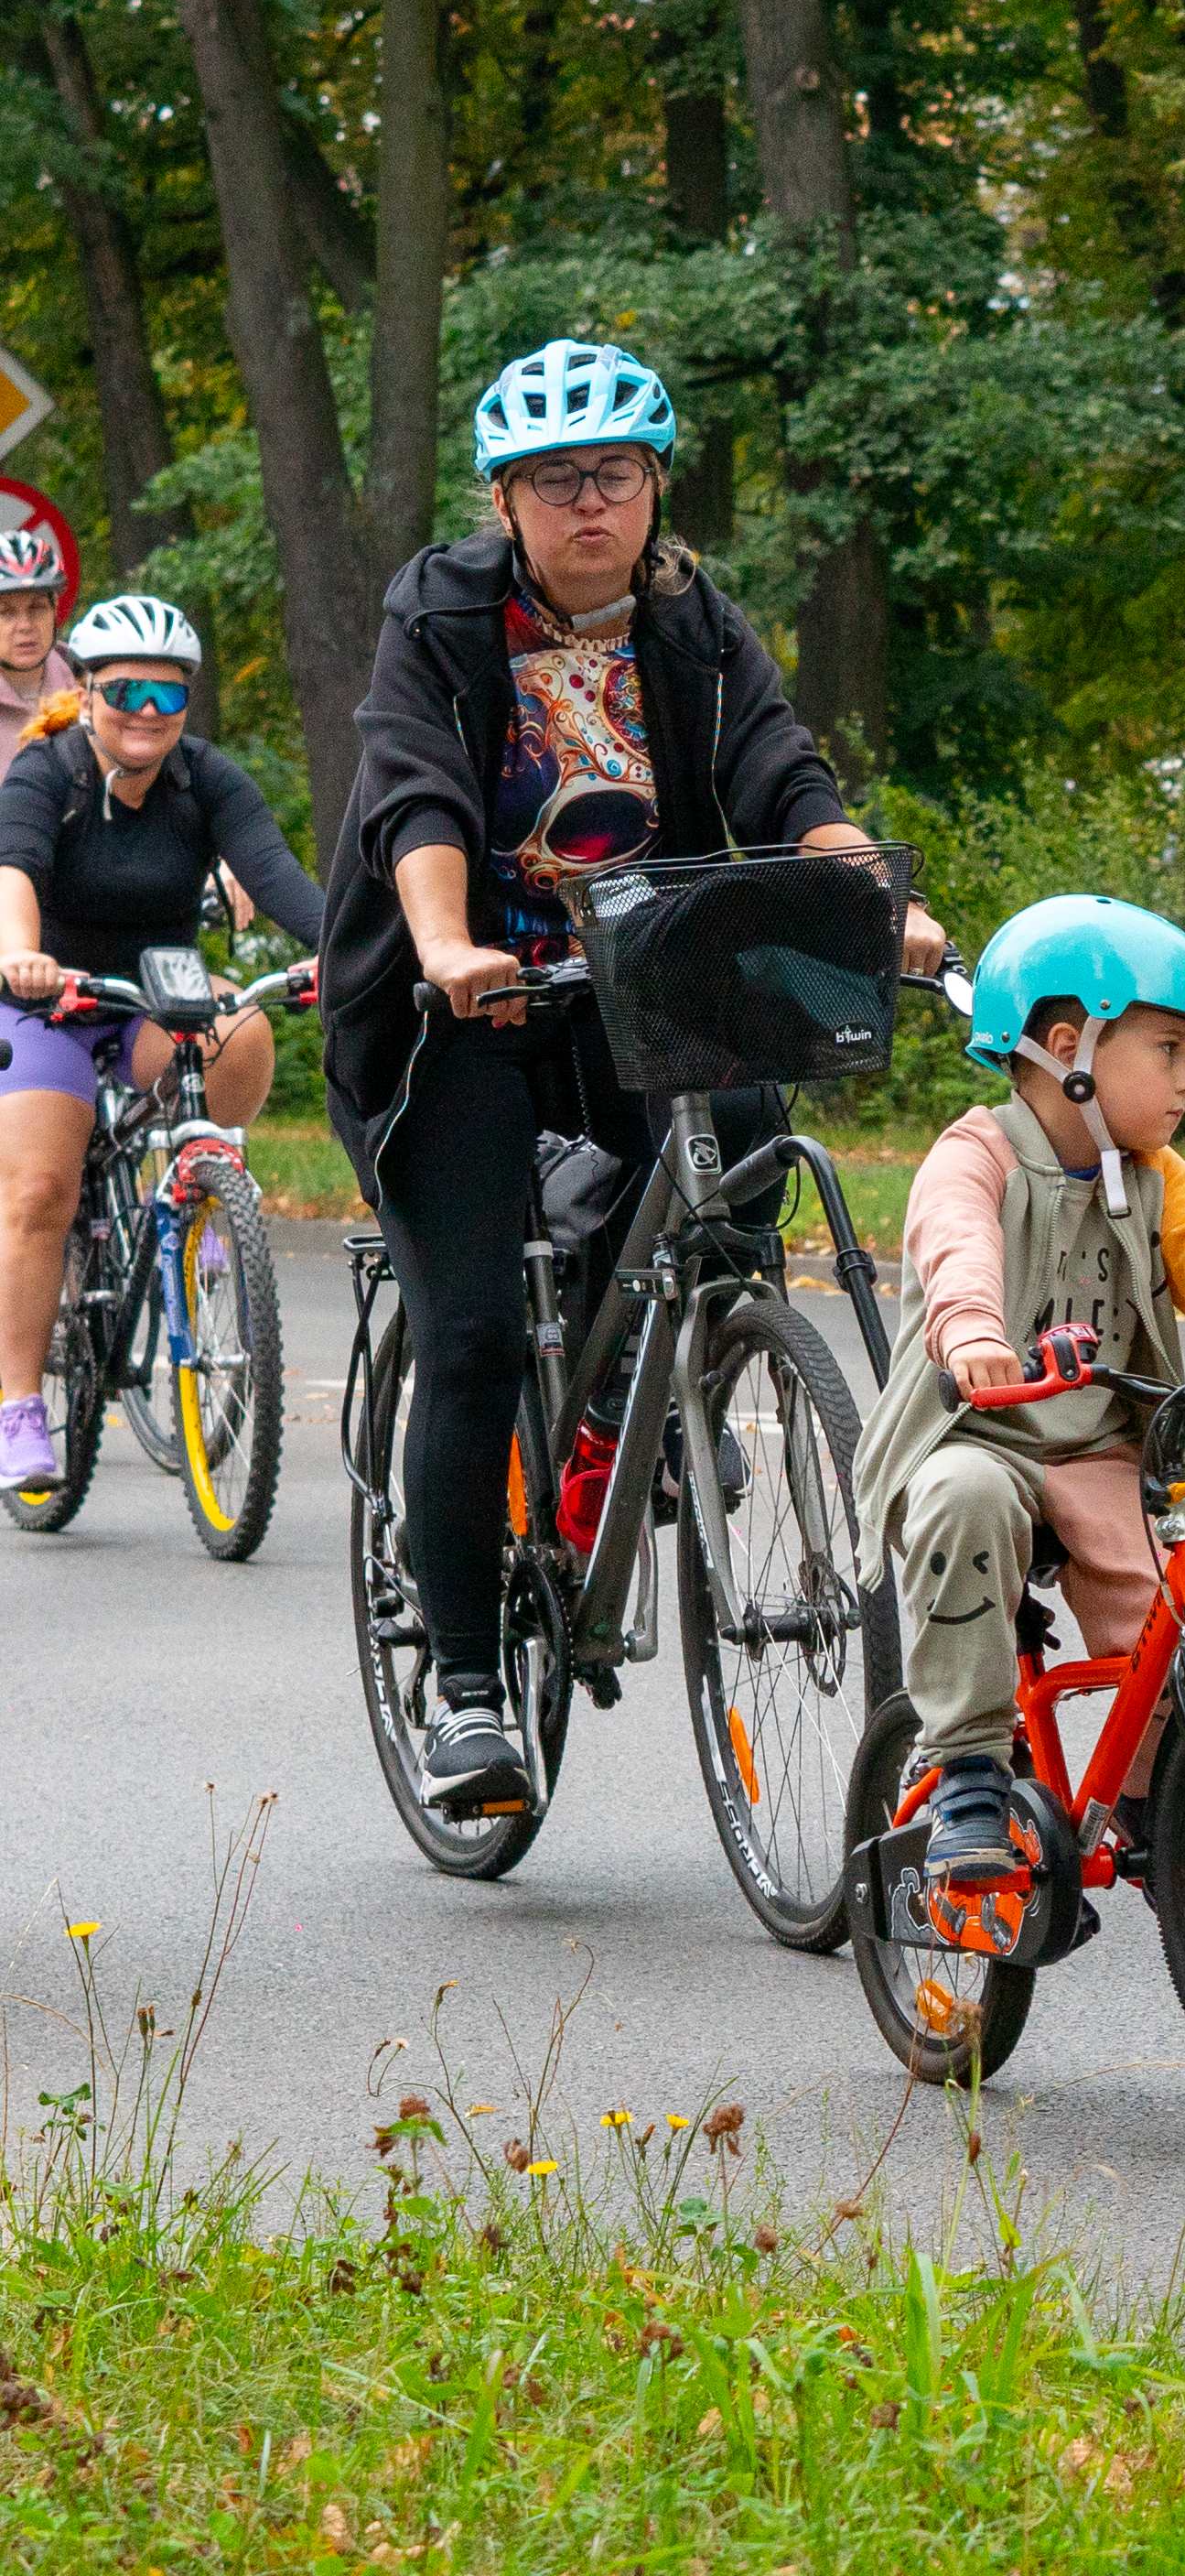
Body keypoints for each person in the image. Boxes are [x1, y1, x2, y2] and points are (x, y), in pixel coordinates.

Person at [320, 339, 943, 1817]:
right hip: (449, 1009)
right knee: (468, 1331)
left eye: (613, 475)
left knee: (737, 1137)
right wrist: (446, 936)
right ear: (506, 500)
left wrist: (873, 905)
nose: (586, 505)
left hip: (629, 985)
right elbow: (414, 789)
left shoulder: (693, 626)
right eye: (552, 482)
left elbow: (788, 785)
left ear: (656, 486)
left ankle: (635, 1399)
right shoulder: (445, 616)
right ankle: (469, 1688)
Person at [855, 896, 1185, 1924]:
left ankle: (1155, 1796)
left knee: (1172, 1616)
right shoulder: (975, 1155)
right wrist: (972, 1335)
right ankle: (968, 1771)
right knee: (967, 1497)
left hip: (1098, 1447)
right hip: (977, 1431)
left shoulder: (1153, 1178)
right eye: (1168, 1048)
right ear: (1071, 1048)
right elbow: (955, 1247)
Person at [0, 593, 319, 1497]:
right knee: (39, 1189)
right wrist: (19, 955)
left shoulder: (206, 780)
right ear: (90, 689)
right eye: (129, 688)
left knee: (242, 1026)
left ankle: (203, 1188)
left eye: (169, 694)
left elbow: (281, 880)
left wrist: (351, 953)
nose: (147, 709)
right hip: (47, 999)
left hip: (153, 995)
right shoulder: (44, 775)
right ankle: (19, 1399)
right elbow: (12, 875)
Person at [0, 525, 72, 735]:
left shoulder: (92, 687)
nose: (25, 625)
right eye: (5, 612)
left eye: (37, 607)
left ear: (55, 608)